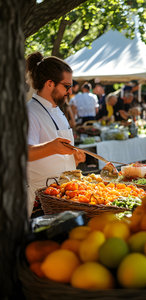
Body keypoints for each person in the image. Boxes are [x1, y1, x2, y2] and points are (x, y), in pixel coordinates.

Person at [26, 52, 86, 216]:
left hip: (65, 195)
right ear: (50, 83)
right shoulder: (29, 112)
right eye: (66, 86)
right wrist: (52, 147)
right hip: (41, 201)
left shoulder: (57, 111)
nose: (70, 91)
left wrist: (73, 159)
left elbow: (56, 155)